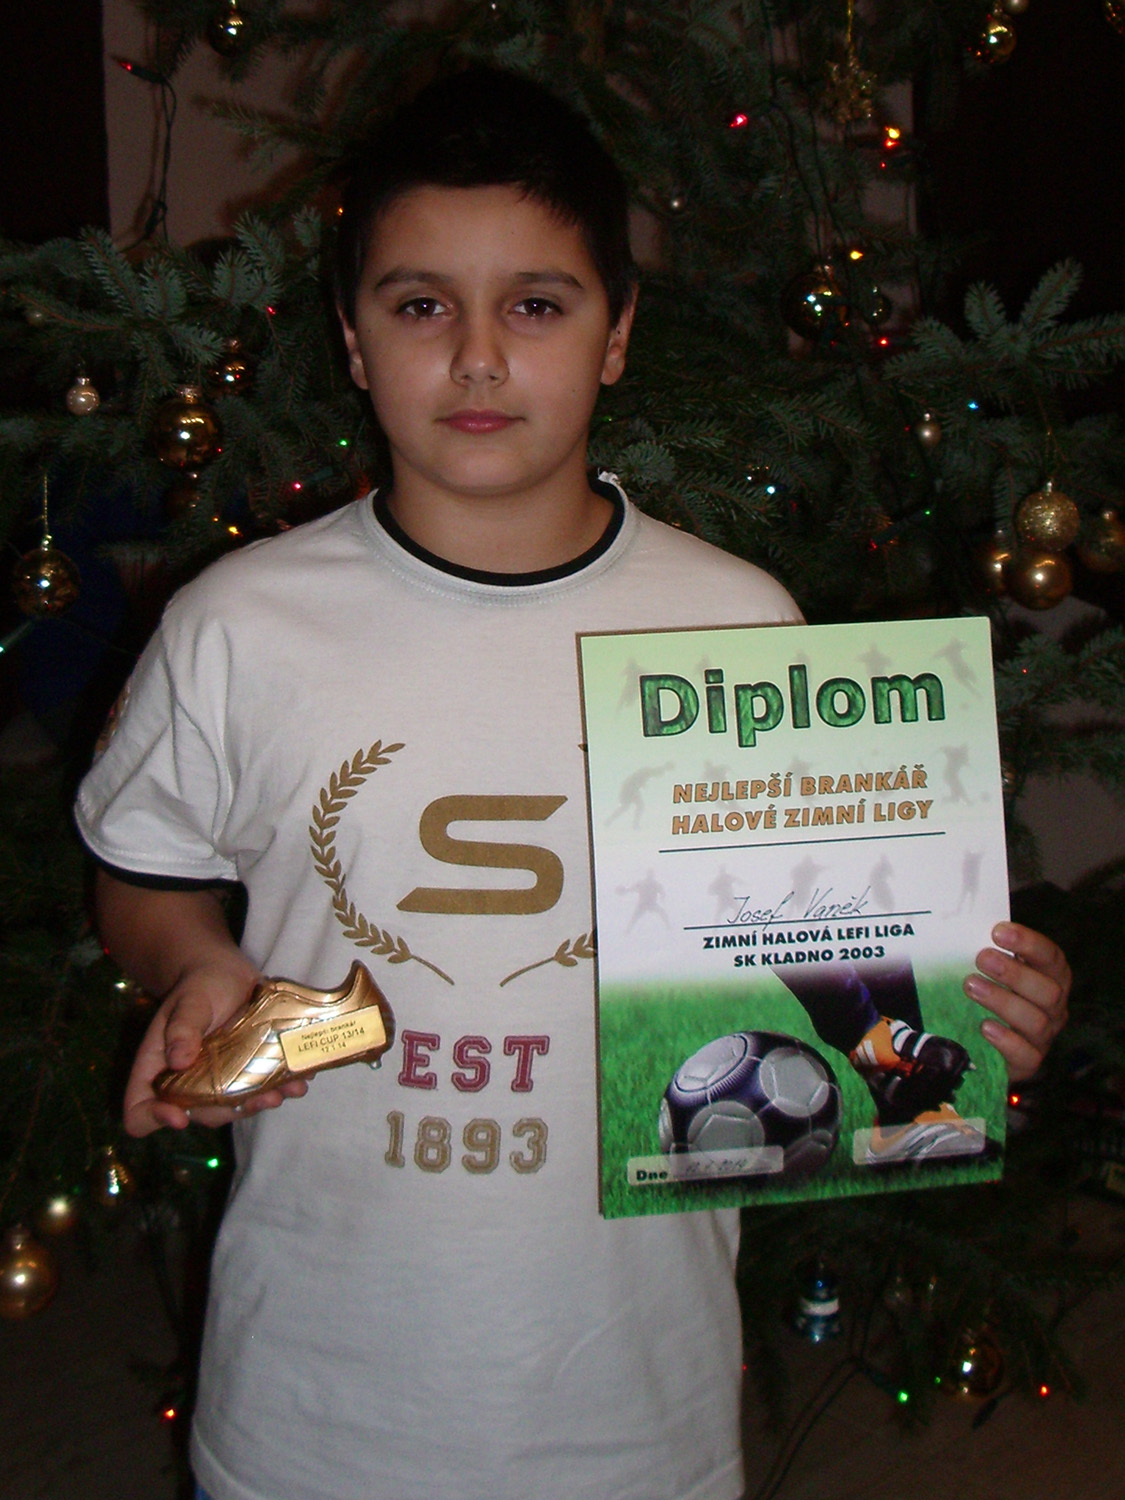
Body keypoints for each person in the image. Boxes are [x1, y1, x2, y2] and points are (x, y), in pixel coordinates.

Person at [76, 67, 1070, 1500]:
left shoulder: (738, 630)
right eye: (422, 306)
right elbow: (145, 870)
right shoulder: (239, 626)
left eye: (536, 306)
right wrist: (193, 963)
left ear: (617, 336)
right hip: (311, 1399)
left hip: (634, 1409)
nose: (479, 358)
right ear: (352, 340)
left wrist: (965, 1017)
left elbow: (825, 954)